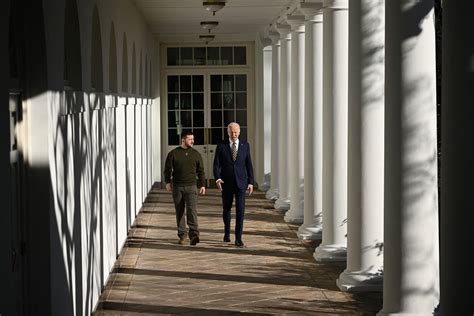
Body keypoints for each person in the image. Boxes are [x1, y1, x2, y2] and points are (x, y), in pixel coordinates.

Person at [213, 122, 254, 247]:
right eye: (231, 132)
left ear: (239, 132)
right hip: (227, 183)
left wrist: (251, 182)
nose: (234, 134)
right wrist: (218, 178)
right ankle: (226, 233)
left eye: (236, 132)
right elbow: (216, 164)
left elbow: (249, 165)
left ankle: (238, 238)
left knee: (240, 211)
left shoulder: (245, 145)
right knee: (227, 209)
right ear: (228, 132)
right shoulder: (221, 146)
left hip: (241, 183)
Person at [164, 131, 206, 246]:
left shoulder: (196, 154)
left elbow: (201, 171)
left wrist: (202, 185)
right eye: (190, 139)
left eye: (193, 139)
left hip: (192, 186)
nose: (192, 141)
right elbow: (167, 169)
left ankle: (194, 235)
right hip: (177, 187)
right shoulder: (173, 153)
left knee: (192, 210)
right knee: (180, 211)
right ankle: (182, 235)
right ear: (183, 139)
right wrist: (167, 182)